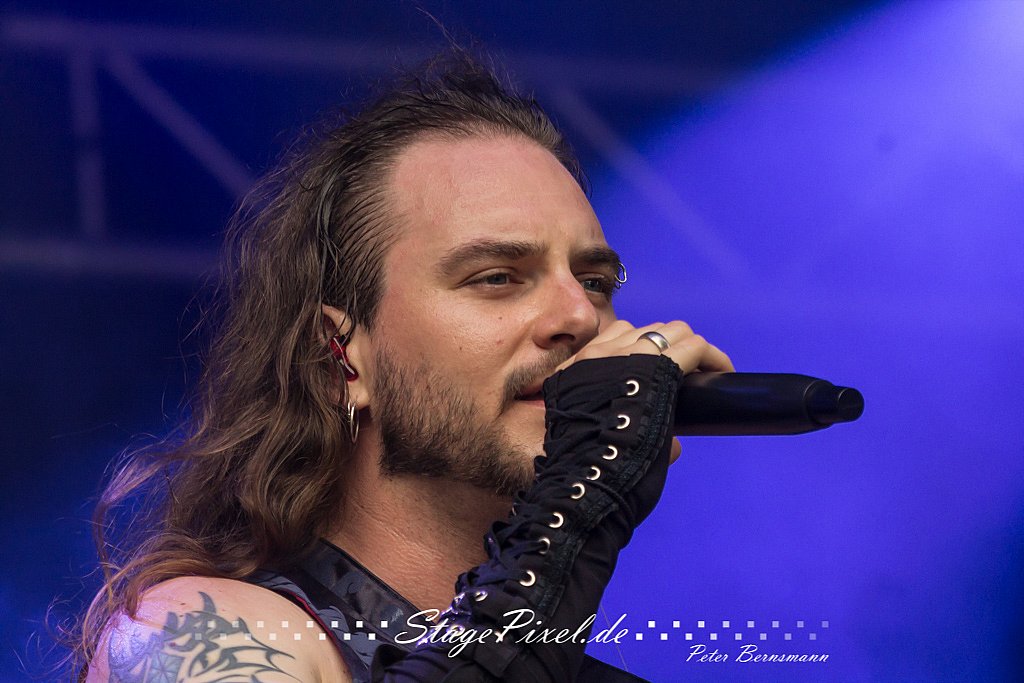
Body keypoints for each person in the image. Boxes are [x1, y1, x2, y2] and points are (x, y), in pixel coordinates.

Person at [76, 50, 733, 682]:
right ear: (339, 356)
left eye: (594, 281)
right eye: (497, 276)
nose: (580, 316)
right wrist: (582, 496)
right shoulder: (194, 634)